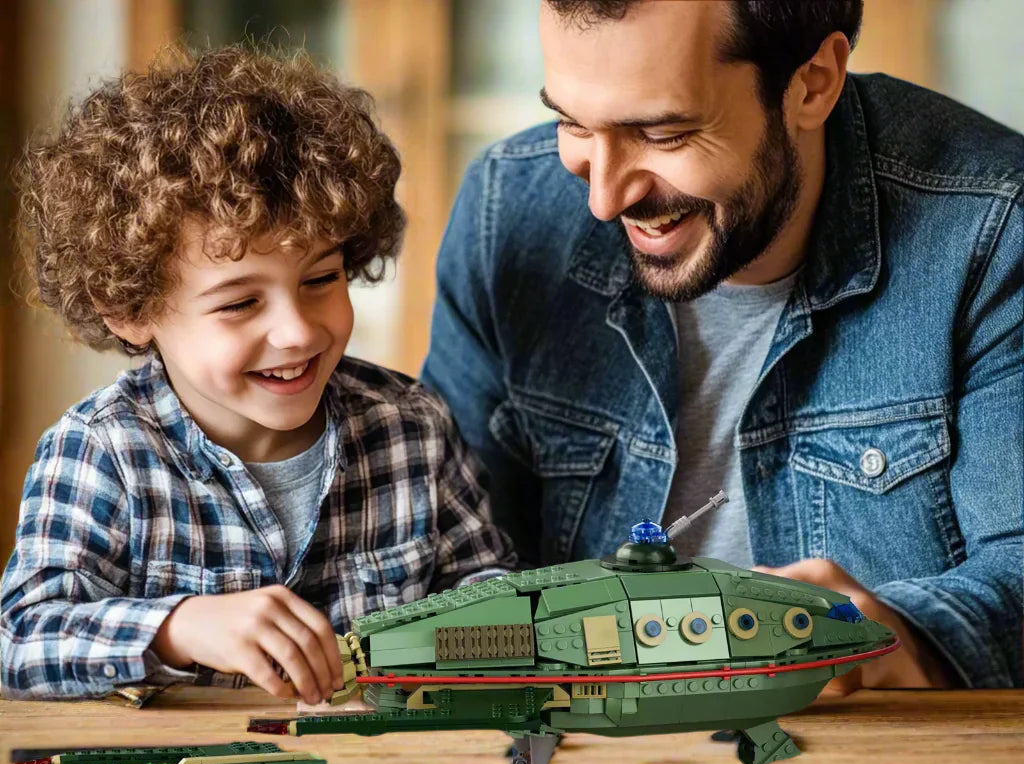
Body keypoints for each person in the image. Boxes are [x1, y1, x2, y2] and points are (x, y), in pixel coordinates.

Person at [423, 0, 1022, 693]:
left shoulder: (996, 229)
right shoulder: (507, 212)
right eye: (574, 123)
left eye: (663, 133)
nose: (605, 199)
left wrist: (899, 636)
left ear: (813, 83)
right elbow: (443, 546)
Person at [1, 46, 515, 704]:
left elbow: (492, 589)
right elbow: (19, 640)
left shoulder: (413, 427)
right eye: (241, 302)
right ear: (132, 309)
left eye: (321, 279)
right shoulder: (102, 453)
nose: (298, 330)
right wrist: (175, 628)